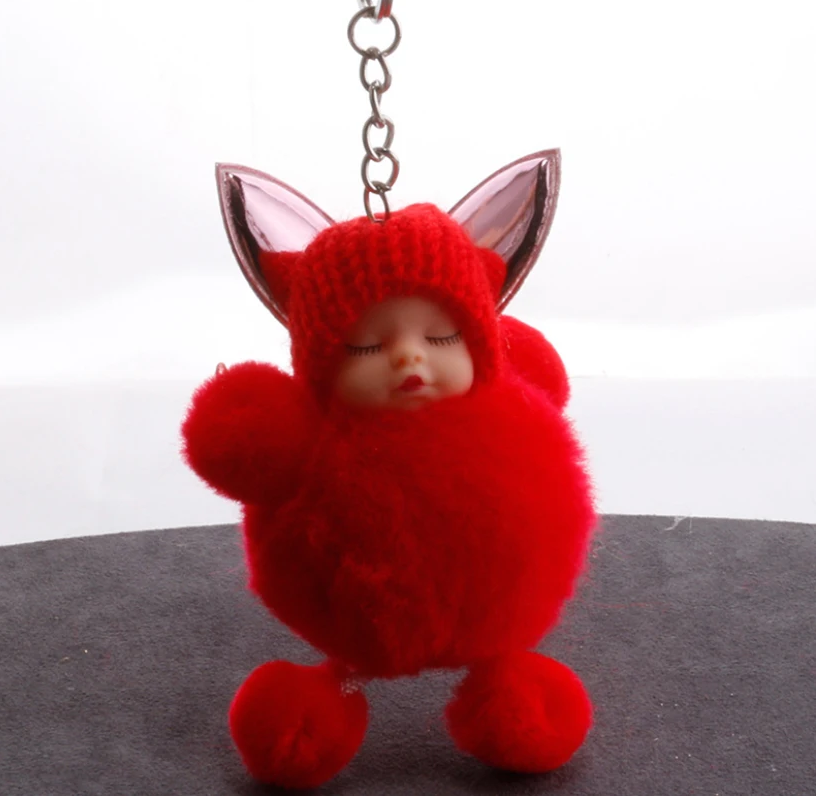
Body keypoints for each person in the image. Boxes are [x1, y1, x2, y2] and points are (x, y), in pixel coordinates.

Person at [181, 203, 596, 789]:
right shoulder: (310, 444)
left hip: (492, 617)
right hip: (356, 626)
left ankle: (507, 685)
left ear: (484, 344)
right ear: (322, 368)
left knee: (516, 694)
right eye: (367, 346)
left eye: (441, 335)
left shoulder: (519, 420)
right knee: (302, 721)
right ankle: (324, 697)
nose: (409, 356)